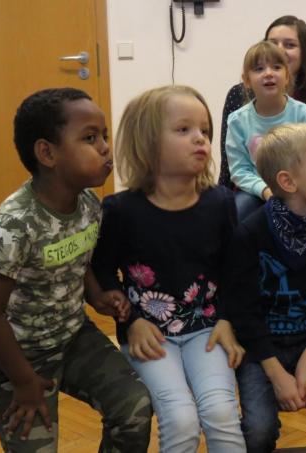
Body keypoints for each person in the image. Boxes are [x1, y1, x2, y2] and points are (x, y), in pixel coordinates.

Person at [0, 87, 152, 452]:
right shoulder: (13, 224)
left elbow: (76, 257)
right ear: (47, 153)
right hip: (16, 358)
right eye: (89, 138)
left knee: (134, 408)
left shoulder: (88, 203)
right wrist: (23, 381)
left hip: (72, 339)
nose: (104, 147)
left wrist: (97, 295)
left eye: (103, 135)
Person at [91, 85, 247, 453]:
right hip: (150, 335)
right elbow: (100, 275)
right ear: (147, 142)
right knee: (180, 420)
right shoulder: (121, 211)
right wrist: (131, 323)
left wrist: (226, 320)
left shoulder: (221, 203)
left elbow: (235, 271)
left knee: (222, 414)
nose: (200, 139)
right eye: (184, 130)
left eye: (205, 131)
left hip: (206, 329)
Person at [225, 123, 306, 453]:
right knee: (258, 428)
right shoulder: (250, 234)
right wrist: (277, 374)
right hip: (262, 351)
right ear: (288, 181)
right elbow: (244, 312)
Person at [219, 15, 306, 190]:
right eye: (273, 43)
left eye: (290, 45)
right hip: (252, 189)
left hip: (299, 188)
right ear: (247, 79)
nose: (280, 50)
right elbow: (231, 166)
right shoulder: (237, 104)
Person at [225, 40, 306, 221]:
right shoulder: (238, 121)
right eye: (259, 69)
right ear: (246, 81)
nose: (268, 74)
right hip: (256, 191)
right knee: (237, 213)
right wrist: (266, 190)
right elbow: (239, 170)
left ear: (287, 77)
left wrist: (295, 189)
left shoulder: (304, 114)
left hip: (299, 188)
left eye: (276, 67)